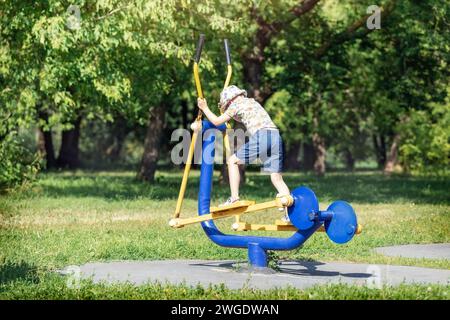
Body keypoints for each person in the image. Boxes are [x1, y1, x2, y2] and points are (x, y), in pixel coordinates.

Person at [195, 85, 290, 216]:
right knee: (277, 178)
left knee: (232, 161)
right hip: (275, 136)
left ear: (229, 102)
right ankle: (289, 213)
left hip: (262, 135)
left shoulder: (234, 105)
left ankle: (234, 198)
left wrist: (204, 108)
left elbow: (217, 121)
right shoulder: (251, 102)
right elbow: (239, 117)